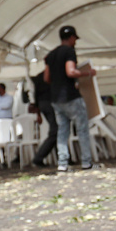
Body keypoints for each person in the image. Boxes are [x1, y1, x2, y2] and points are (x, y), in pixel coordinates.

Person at [44, 25, 97, 172]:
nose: (75, 42)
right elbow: (71, 72)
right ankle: (86, 162)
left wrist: (57, 81)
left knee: (62, 131)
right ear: (72, 37)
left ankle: (62, 164)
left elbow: (46, 78)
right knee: (82, 129)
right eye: (75, 39)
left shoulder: (50, 55)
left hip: (56, 99)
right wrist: (88, 73)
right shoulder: (69, 51)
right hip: (70, 96)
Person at [29, 68, 58, 167]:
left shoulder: (39, 77)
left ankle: (63, 157)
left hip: (43, 104)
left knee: (57, 130)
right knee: (55, 131)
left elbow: (36, 95)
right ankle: (39, 158)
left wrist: (38, 112)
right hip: (50, 103)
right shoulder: (53, 73)